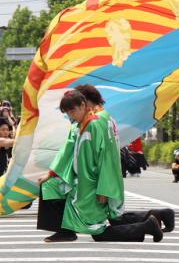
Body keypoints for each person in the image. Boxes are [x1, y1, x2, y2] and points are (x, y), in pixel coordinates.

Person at [36, 90, 163, 243]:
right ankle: (64, 231)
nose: (71, 116)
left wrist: (104, 188)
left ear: (83, 105)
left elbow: (107, 158)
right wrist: (52, 173)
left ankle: (148, 226)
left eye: (72, 111)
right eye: (68, 113)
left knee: (99, 231)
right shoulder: (86, 122)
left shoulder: (95, 124)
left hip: (93, 184)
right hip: (82, 181)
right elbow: (68, 150)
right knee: (49, 186)